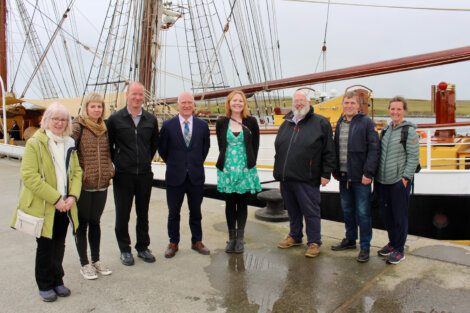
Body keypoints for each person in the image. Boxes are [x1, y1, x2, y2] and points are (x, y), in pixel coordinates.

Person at [10, 103, 82, 302]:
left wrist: (72, 197)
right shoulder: (36, 143)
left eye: (63, 119)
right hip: (45, 205)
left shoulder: (69, 143)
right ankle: (44, 284)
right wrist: (56, 199)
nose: (59, 123)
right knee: (45, 246)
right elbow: (29, 176)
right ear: (47, 120)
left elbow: (77, 172)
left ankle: (57, 280)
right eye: (55, 119)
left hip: (66, 205)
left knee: (59, 245)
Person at [274, 89, 335, 258]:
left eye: (302, 100)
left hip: (307, 177)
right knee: (292, 209)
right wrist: (278, 170)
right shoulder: (286, 123)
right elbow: (279, 147)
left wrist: (326, 173)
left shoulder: (320, 123)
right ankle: (295, 235)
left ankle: (314, 242)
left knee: (311, 211)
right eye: (296, 100)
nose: (299, 103)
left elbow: (329, 151)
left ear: (309, 103)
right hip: (287, 176)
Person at [107, 82, 159, 266]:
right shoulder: (115, 119)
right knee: (123, 213)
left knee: (142, 213)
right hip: (123, 174)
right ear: (127, 95)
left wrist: (144, 159)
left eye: (140, 95)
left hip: (144, 173)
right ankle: (125, 249)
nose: (137, 98)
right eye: (134, 94)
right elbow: (109, 145)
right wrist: (120, 161)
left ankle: (143, 247)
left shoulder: (150, 120)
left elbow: (153, 145)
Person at [158, 91, 211, 258]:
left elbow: (205, 148)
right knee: (174, 212)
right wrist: (176, 164)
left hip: (195, 176)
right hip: (175, 176)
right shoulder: (168, 126)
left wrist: (192, 164)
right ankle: (173, 242)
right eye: (183, 103)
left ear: (193, 105)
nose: (187, 105)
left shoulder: (202, 126)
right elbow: (163, 150)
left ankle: (197, 241)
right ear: (178, 105)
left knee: (196, 211)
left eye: (190, 102)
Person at [331, 91, 379, 263]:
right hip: (344, 176)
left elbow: (374, 149)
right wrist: (335, 170)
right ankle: (350, 239)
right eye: (346, 103)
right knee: (348, 210)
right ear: (343, 104)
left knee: (363, 213)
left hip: (360, 177)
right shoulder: (340, 122)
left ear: (358, 106)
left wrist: (368, 173)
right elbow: (337, 148)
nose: (349, 106)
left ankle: (365, 246)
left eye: (352, 103)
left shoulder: (366, 123)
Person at [71, 93, 114, 279]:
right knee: (81, 225)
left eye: (99, 107)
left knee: (95, 222)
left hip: (101, 183)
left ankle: (96, 260)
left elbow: (108, 152)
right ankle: (84, 263)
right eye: (93, 106)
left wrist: (109, 170)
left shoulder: (104, 128)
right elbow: (68, 149)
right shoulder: (78, 126)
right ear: (86, 107)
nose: (97, 109)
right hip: (83, 184)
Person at [216, 90, 262, 253]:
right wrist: (227, 163)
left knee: (242, 203)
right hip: (227, 169)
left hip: (244, 169)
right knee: (230, 203)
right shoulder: (222, 122)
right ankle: (232, 238)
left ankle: (240, 239)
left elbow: (255, 145)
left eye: (240, 101)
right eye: (234, 101)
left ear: (244, 103)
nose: (237, 103)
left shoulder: (251, 122)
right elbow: (221, 145)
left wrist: (249, 164)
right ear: (229, 103)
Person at [376, 96, 419, 264]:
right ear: (389, 110)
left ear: (404, 111)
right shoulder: (385, 131)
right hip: (383, 180)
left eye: (399, 109)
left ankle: (400, 249)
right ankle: (392, 243)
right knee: (387, 215)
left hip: (398, 181)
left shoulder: (409, 131)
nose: (395, 112)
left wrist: (406, 178)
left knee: (400, 216)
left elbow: (414, 157)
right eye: (392, 109)